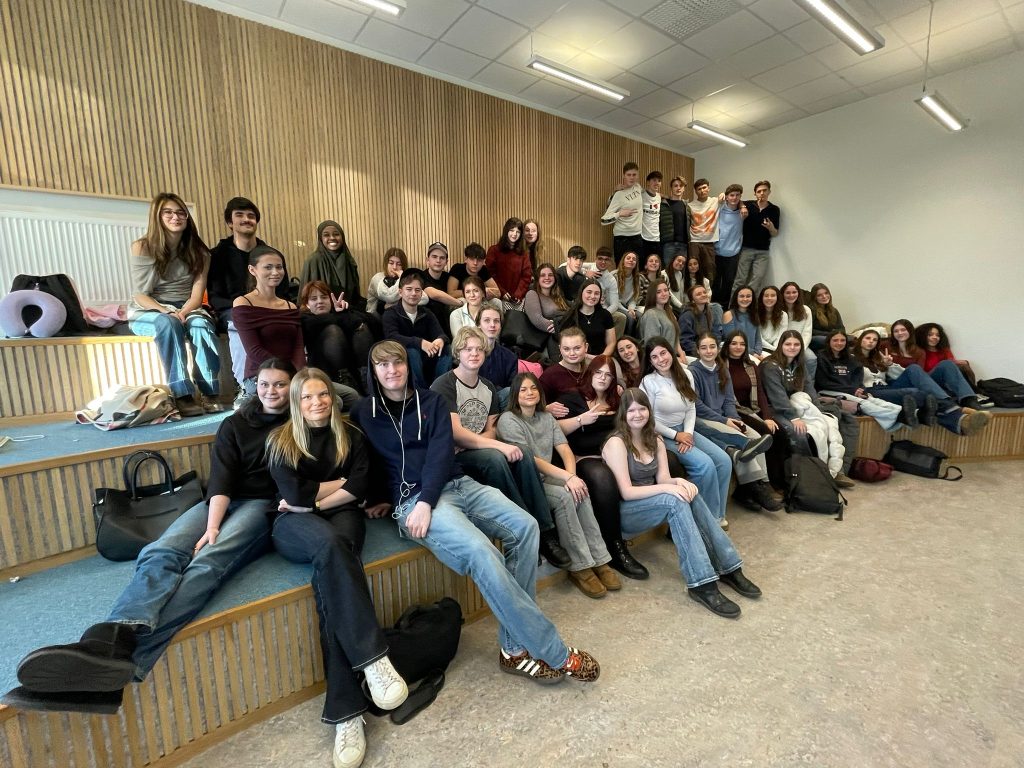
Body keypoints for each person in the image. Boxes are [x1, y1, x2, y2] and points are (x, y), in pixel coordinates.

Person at [7, 359, 296, 714]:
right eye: (265, 384)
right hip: (220, 500)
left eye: (280, 384)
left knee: (207, 563)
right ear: (255, 385)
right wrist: (212, 525)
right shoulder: (235, 424)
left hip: (262, 506)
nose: (271, 391)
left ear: (292, 386)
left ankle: (115, 667)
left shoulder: (298, 423)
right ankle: (112, 641)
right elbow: (221, 479)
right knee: (161, 550)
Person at [351, 341, 601, 685]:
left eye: (397, 362)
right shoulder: (364, 412)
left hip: (457, 485)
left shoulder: (431, 401)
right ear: (373, 370)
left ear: (408, 365)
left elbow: (441, 453)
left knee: (526, 526)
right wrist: (386, 498)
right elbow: (367, 460)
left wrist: (427, 500)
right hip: (416, 502)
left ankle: (513, 649)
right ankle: (554, 652)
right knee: (482, 552)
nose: (391, 370)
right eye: (383, 365)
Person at [267, 367, 408, 768]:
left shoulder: (352, 435)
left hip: (339, 515)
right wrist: (333, 489)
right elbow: (292, 495)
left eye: (323, 394)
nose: (317, 402)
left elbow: (358, 487)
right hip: (290, 525)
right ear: (296, 402)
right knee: (330, 545)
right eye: (307, 397)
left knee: (332, 570)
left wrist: (313, 501)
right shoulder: (280, 440)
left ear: (333, 396)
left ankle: (346, 714)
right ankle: (374, 660)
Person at [602, 388, 762, 619]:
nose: (637, 415)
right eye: (631, 410)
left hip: (654, 503)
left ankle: (729, 567)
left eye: (642, 409)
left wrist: (681, 482)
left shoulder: (654, 439)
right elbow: (626, 492)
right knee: (674, 500)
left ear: (649, 411)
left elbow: (664, 479)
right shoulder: (616, 443)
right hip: (628, 513)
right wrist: (669, 489)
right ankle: (701, 583)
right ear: (623, 414)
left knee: (688, 494)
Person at [431, 326, 571, 569]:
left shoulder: (487, 387)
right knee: (495, 458)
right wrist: (493, 446)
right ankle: (527, 529)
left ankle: (546, 534)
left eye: (478, 349)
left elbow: (491, 429)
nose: (474, 353)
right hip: (451, 457)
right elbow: (456, 434)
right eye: (467, 349)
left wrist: (486, 443)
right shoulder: (444, 384)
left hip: (475, 449)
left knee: (523, 453)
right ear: (458, 353)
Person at [498, 373, 618, 599]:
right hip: (529, 484)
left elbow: (565, 450)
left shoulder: (546, 417)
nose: (530, 393)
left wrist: (571, 477)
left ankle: (601, 559)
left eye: (533, 388)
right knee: (564, 497)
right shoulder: (508, 420)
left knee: (580, 491)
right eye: (523, 389)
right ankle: (580, 567)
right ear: (515, 394)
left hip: (550, 476)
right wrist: (566, 479)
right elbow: (531, 460)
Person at [127, 192, 222, 417]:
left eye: (181, 213)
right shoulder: (142, 247)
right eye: (168, 212)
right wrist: (166, 311)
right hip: (150, 308)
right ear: (157, 216)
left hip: (188, 306)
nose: (175, 217)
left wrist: (183, 312)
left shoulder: (200, 252)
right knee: (168, 323)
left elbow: (197, 296)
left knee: (201, 325)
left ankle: (210, 392)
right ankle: (182, 393)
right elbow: (140, 295)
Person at [554, 356, 648, 580]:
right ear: (590, 374)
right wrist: (580, 420)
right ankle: (615, 547)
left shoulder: (617, 400)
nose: (603, 378)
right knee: (602, 476)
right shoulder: (571, 397)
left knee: (670, 459)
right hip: (583, 458)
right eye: (598, 373)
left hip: (616, 454)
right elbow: (553, 430)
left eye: (608, 375)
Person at [640, 337, 733, 526]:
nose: (661, 359)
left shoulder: (686, 374)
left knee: (724, 461)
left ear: (670, 351)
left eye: (663, 353)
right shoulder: (648, 382)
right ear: (650, 361)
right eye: (654, 357)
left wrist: (688, 433)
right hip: (661, 435)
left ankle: (716, 516)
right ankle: (706, 521)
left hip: (685, 429)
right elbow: (648, 420)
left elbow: (691, 408)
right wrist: (677, 436)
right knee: (705, 465)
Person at [688, 335, 781, 512]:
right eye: (704, 348)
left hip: (725, 417)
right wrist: (724, 421)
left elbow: (729, 400)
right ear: (698, 351)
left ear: (718, 348)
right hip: (704, 419)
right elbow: (697, 405)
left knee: (756, 437)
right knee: (743, 441)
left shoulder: (722, 368)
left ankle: (760, 483)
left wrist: (735, 419)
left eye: (712, 346)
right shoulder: (693, 372)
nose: (709, 351)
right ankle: (756, 489)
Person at [207, 196, 287, 401]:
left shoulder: (271, 255)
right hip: (232, 310)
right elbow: (215, 297)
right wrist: (246, 307)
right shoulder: (217, 256)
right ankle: (247, 385)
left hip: (268, 307)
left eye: (251, 216)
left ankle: (286, 379)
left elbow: (283, 292)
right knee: (239, 321)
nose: (246, 219)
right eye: (240, 215)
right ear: (230, 222)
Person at [758, 331, 854, 485]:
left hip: (798, 405)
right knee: (799, 432)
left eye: (796, 344)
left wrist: (819, 411)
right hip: (775, 409)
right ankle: (809, 474)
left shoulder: (799, 364)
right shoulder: (770, 365)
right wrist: (794, 418)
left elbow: (809, 388)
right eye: (788, 344)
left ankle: (835, 472)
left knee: (829, 425)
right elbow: (778, 396)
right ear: (780, 345)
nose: (792, 347)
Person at [854, 330, 990, 435]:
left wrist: (889, 365)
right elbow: (849, 380)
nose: (871, 342)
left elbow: (898, 375)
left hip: (888, 387)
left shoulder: (879, 358)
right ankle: (957, 411)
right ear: (860, 340)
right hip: (871, 391)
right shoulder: (851, 358)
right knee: (916, 393)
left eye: (874, 340)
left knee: (921, 368)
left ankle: (968, 402)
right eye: (867, 338)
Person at [232, 246, 305, 396]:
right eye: (268, 267)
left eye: (279, 267)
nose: (275, 272)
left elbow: (298, 347)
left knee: (344, 397)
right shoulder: (243, 303)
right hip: (260, 376)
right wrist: (287, 372)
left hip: (292, 374)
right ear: (252, 270)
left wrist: (299, 375)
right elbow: (254, 351)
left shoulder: (290, 306)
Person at [722, 330, 791, 490]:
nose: (738, 347)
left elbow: (760, 393)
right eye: (734, 343)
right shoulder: (721, 366)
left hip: (752, 408)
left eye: (742, 344)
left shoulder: (751, 365)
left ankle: (778, 482)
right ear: (727, 345)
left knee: (780, 433)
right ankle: (764, 484)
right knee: (765, 434)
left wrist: (767, 417)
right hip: (735, 411)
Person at [884, 319, 988, 409]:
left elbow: (921, 374)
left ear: (910, 332)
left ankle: (969, 400)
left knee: (946, 364)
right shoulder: (886, 345)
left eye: (903, 330)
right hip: (896, 382)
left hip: (917, 381)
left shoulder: (919, 351)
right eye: (896, 331)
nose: (900, 333)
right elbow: (874, 340)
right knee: (914, 368)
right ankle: (946, 402)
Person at [382, 270, 451, 387]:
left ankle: (439, 387)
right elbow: (392, 337)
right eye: (409, 289)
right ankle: (420, 391)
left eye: (417, 290)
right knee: (412, 351)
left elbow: (441, 334)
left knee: (445, 348)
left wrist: (440, 340)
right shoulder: (390, 314)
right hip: (402, 360)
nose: (413, 293)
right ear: (400, 292)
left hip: (427, 357)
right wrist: (419, 342)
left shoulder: (427, 313)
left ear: (421, 293)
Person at [300, 279, 371, 392]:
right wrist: (342, 316)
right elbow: (320, 322)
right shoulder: (305, 318)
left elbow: (364, 321)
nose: (320, 301)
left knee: (361, 329)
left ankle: (367, 377)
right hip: (323, 370)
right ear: (307, 304)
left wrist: (345, 311)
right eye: (314, 299)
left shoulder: (339, 315)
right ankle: (344, 379)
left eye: (324, 297)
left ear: (330, 299)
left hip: (354, 368)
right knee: (333, 330)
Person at [299, 220, 367, 315]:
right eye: (326, 235)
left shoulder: (348, 260)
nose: (332, 238)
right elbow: (306, 298)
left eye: (336, 234)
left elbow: (355, 295)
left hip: (348, 310)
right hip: (322, 315)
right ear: (320, 239)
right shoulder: (313, 261)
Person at [733, 180, 780, 296]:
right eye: (759, 191)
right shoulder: (749, 205)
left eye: (764, 190)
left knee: (757, 279)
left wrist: (771, 227)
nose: (762, 193)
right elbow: (738, 202)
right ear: (755, 193)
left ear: (769, 192)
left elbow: (775, 233)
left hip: (763, 251)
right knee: (740, 279)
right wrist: (742, 207)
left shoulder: (774, 209)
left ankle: (750, 304)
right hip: (746, 249)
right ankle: (733, 305)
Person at [560, 279, 616, 358]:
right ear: (581, 293)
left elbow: (611, 343)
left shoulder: (605, 315)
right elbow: (565, 344)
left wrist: (600, 358)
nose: (593, 296)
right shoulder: (571, 316)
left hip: (601, 359)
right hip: (577, 359)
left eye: (596, 293)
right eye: (589, 292)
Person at [600, 162, 643, 263]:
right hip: (622, 238)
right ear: (624, 175)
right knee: (621, 268)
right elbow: (603, 220)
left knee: (637, 268)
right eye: (629, 175)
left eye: (634, 175)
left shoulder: (638, 187)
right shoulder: (618, 194)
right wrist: (619, 214)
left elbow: (647, 193)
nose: (631, 178)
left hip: (637, 236)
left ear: (637, 176)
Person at [523, 262, 569, 356]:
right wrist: (560, 328)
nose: (547, 278)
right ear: (538, 279)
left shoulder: (558, 296)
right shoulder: (532, 294)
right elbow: (537, 320)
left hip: (564, 336)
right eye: (543, 275)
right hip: (545, 341)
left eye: (550, 275)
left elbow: (569, 314)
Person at [486, 218, 532, 311]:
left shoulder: (524, 253)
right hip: (499, 297)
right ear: (506, 230)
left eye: (518, 232)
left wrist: (518, 294)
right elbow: (490, 275)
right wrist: (502, 291)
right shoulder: (494, 250)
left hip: (519, 298)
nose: (514, 234)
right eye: (511, 230)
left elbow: (526, 276)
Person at [476, 305, 518, 405]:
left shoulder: (510, 357)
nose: (492, 325)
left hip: (499, 401)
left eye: (496, 321)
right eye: (487, 320)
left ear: (500, 326)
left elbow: (513, 389)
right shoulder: (469, 353)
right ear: (478, 324)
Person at [366, 248, 427, 316]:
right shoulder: (377, 278)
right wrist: (401, 278)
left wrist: (394, 305)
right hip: (375, 318)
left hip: (400, 316)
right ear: (386, 264)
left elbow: (424, 299)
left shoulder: (406, 278)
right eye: (391, 263)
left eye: (399, 264)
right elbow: (389, 297)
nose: (394, 267)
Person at [713, 184, 747, 301]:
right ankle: (713, 307)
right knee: (715, 282)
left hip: (733, 254)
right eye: (732, 195)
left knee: (729, 283)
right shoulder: (719, 208)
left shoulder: (743, 212)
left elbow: (747, 203)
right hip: (717, 252)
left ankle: (725, 307)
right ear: (727, 197)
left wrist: (743, 205)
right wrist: (721, 195)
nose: (734, 197)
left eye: (737, 195)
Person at [540, 327, 591, 403]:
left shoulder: (592, 371)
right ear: (560, 349)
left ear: (586, 347)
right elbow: (538, 405)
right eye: (566, 349)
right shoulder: (549, 375)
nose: (572, 353)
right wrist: (547, 408)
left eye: (577, 348)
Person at [421, 242, 464, 327]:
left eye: (442, 258)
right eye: (434, 257)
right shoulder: (421, 276)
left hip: (449, 321)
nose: (438, 261)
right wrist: (461, 303)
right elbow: (434, 295)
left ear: (446, 262)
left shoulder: (449, 278)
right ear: (427, 260)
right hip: (429, 324)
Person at [639, 278, 683, 359]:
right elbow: (654, 346)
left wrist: (682, 354)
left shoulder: (669, 311)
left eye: (666, 290)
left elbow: (675, 339)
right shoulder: (651, 314)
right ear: (652, 295)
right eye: (658, 292)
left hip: (673, 356)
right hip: (660, 359)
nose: (664, 294)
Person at [781, 281, 816, 377]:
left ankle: (809, 385)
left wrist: (800, 349)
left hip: (800, 345)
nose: (791, 295)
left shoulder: (806, 310)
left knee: (811, 359)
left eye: (794, 292)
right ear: (782, 294)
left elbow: (807, 333)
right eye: (788, 293)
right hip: (781, 345)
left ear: (798, 294)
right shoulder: (778, 310)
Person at [678, 284, 723, 358]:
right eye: (699, 294)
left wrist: (714, 348)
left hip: (710, 350)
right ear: (692, 300)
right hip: (694, 354)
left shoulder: (711, 311)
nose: (703, 295)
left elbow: (716, 333)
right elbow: (685, 341)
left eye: (704, 292)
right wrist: (702, 351)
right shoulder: (687, 316)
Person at [688, 178, 721, 279]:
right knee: (693, 270)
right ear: (695, 191)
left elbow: (734, 199)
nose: (702, 191)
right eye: (699, 189)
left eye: (704, 188)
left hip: (709, 242)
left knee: (710, 270)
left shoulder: (716, 201)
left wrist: (742, 206)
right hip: (694, 242)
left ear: (708, 188)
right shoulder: (690, 205)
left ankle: (707, 289)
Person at [593, 246, 626, 338]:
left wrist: (602, 315)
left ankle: (613, 344)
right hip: (586, 308)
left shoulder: (611, 279)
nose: (603, 262)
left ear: (610, 262)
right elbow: (565, 265)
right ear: (595, 259)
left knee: (621, 317)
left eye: (606, 259)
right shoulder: (587, 268)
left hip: (602, 309)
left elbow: (614, 304)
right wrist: (584, 273)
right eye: (600, 259)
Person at [722, 285, 764, 358]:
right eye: (741, 296)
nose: (745, 299)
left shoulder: (754, 315)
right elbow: (732, 341)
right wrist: (753, 354)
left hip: (754, 354)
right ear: (736, 298)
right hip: (736, 353)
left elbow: (758, 339)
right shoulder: (728, 315)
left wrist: (758, 352)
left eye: (748, 296)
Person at [611, 250, 643, 335]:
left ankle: (638, 341)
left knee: (641, 317)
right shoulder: (614, 275)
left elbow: (634, 298)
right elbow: (613, 299)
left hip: (627, 306)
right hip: (615, 305)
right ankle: (626, 340)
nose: (631, 260)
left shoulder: (637, 278)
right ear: (623, 261)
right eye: (628, 258)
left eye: (634, 259)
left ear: (636, 263)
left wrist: (631, 308)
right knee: (630, 318)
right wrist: (627, 311)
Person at [640, 171, 670, 258]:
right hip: (643, 238)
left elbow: (668, 197)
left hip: (656, 238)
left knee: (656, 264)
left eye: (659, 181)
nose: (657, 183)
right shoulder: (641, 195)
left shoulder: (659, 197)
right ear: (648, 182)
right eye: (654, 180)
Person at [662, 176, 691, 264]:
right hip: (668, 244)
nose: (678, 188)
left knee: (681, 271)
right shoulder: (664, 204)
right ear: (671, 188)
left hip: (683, 244)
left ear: (684, 188)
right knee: (668, 270)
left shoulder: (687, 206)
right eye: (675, 186)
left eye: (681, 186)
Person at [809, 283, 845, 352]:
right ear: (814, 298)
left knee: (852, 338)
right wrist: (831, 334)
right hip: (817, 338)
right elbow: (811, 330)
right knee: (824, 340)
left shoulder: (834, 310)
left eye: (826, 293)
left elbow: (841, 328)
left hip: (833, 337)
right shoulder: (810, 310)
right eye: (819, 295)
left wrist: (836, 334)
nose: (824, 296)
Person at [756, 285, 787, 354]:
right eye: (766, 296)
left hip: (776, 347)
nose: (769, 298)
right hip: (760, 348)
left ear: (777, 298)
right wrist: (774, 349)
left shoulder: (783, 315)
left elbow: (781, 336)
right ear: (761, 298)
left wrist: (776, 348)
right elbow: (759, 338)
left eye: (773, 295)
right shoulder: (755, 314)